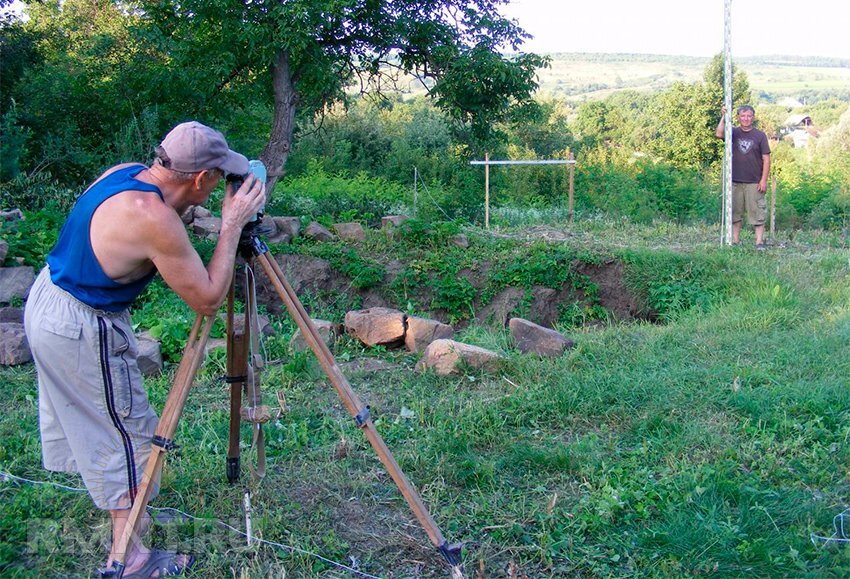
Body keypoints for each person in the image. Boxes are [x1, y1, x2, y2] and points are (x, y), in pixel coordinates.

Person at [23, 121, 266, 577]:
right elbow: (209, 298)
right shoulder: (154, 219)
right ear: (200, 179)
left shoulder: (127, 173)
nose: (223, 186)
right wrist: (232, 224)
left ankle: (129, 521)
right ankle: (131, 558)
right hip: (81, 324)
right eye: (220, 176)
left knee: (103, 424)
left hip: (51, 296)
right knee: (128, 437)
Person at [716, 104, 771, 249]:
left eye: (749, 116)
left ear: (753, 117)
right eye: (743, 116)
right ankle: (735, 241)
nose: (746, 119)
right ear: (738, 117)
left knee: (757, 212)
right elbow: (719, 134)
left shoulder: (760, 136)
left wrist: (763, 180)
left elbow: (766, 159)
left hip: (754, 181)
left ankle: (759, 242)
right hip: (734, 180)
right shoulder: (733, 133)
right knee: (735, 212)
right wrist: (723, 116)